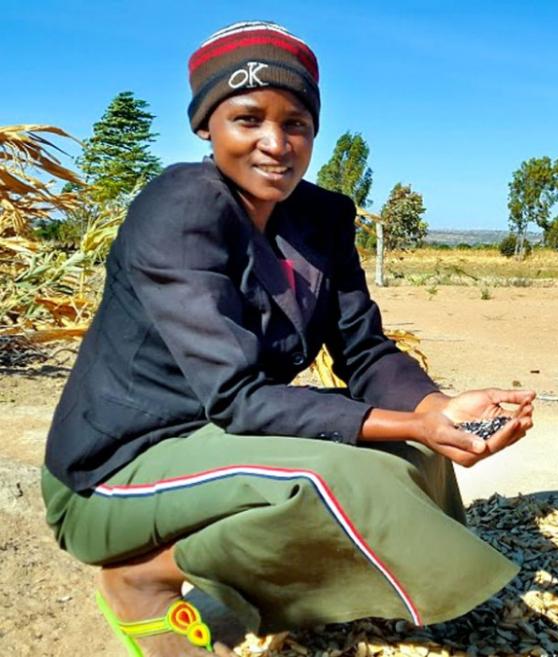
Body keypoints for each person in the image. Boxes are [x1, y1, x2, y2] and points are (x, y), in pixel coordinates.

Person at [41, 21, 533, 657]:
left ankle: (283, 591)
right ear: (206, 126)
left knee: (416, 452)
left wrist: (434, 409)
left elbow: (363, 348)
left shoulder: (319, 218)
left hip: (218, 445)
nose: (275, 144)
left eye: (295, 123)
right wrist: (404, 423)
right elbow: (239, 399)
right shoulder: (180, 209)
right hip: (116, 473)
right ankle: (143, 576)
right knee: (339, 479)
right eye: (248, 119)